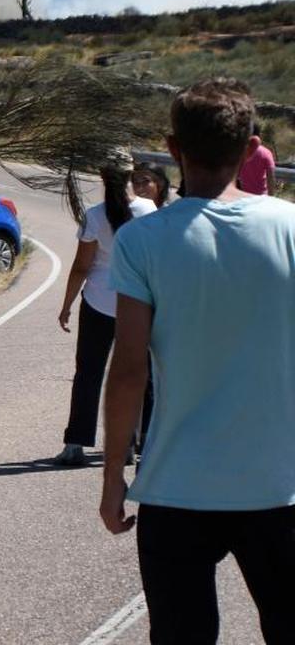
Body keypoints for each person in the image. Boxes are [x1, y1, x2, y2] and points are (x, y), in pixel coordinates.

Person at [101, 79, 295, 643]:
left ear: (173, 148)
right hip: (278, 487)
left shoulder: (144, 241)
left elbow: (129, 369)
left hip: (176, 488)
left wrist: (114, 475)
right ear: (251, 147)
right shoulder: (289, 228)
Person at [55, 153, 155, 466]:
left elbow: (82, 265)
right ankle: (138, 443)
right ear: (131, 174)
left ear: (102, 175)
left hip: (99, 301)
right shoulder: (149, 210)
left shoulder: (95, 216)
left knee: (89, 372)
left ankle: (75, 444)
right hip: (139, 302)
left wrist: (67, 305)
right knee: (142, 374)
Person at [238, 120, 277, 195]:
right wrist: (271, 197)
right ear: (259, 134)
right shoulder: (266, 153)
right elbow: (270, 179)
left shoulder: (240, 152)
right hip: (261, 196)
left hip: (241, 195)